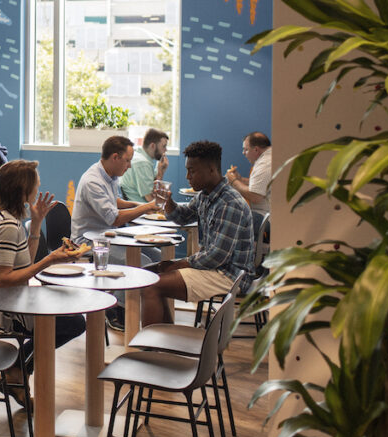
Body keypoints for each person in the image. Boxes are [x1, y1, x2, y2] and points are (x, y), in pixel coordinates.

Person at [0, 159, 86, 405]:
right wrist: (49, 259)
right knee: (73, 323)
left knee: (67, 319)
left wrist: (37, 223)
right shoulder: (8, 225)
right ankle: (17, 368)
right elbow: (4, 280)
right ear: (22, 191)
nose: (39, 186)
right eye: (35, 183)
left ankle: (16, 370)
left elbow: (23, 262)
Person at [141, 140, 255, 327]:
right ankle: (163, 343)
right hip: (215, 268)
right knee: (147, 275)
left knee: (152, 286)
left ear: (211, 170)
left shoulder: (230, 203)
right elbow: (183, 217)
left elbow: (217, 256)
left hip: (229, 275)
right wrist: (168, 202)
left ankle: (152, 350)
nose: (187, 176)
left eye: (192, 171)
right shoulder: (205, 196)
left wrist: (180, 264)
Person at [71, 135, 162, 331]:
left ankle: (148, 308)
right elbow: (114, 218)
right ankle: (116, 309)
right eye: (127, 160)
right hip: (88, 242)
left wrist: (137, 204)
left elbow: (115, 201)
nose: (129, 166)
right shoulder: (92, 181)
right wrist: (147, 207)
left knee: (157, 257)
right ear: (115, 157)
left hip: (107, 237)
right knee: (142, 264)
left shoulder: (110, 176)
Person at [225, 131, 272, 217]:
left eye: (246, 149)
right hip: (267, 214)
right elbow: (261, 185)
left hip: (265, 218)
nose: (243, 153)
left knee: (229, 215)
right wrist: (240, 179)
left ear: (256, 149)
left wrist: (233, 181)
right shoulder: (269, 158)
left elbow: (255, 196)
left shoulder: (265, 164)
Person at [120, 128, 169, 203]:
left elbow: (148, 182)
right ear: (152, 146)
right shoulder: (142, 164)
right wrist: (160, 174)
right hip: (143, 210)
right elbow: (152, 200)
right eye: (164, 146)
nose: (166, 150)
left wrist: (160, 170)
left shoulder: (138, 155)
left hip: (140, 206)